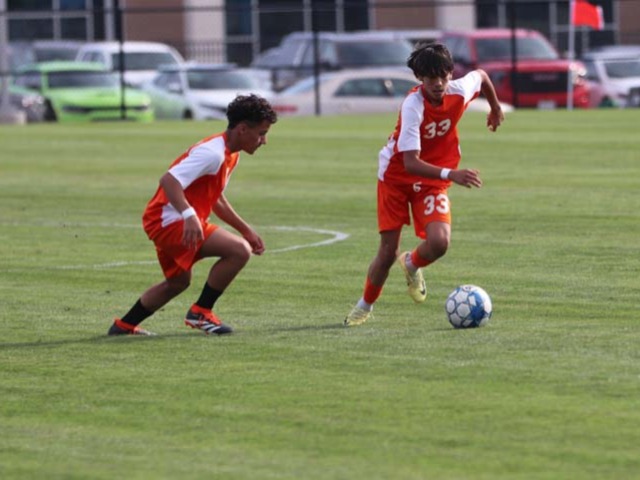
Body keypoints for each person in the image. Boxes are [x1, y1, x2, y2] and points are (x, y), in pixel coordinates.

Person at [344, 42, 504, 326]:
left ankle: (412, 263)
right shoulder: (413, 105)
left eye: (443, 76)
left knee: (440, 242)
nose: (438, 83)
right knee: (387, 252)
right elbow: (411, 163)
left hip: (432, 180)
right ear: (419, 78)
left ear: (450, 73)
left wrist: (494, 107)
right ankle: (364, 306)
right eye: (431, 78)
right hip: (396, 178)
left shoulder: (458, 90)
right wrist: (451, 174)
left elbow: (481, 76)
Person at [108, 94, 278, 336]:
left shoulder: (230, 153)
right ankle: (201, 312)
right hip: (168, 221)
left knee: (178, 283)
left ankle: (123, 326)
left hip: (168, 220)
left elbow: (216, 198)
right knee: (239, 251)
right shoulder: (213, 153)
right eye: (261, 133)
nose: (264, 141)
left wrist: (245, 229)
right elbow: (169, 180)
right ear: (242, 129)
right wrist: (189, 215)